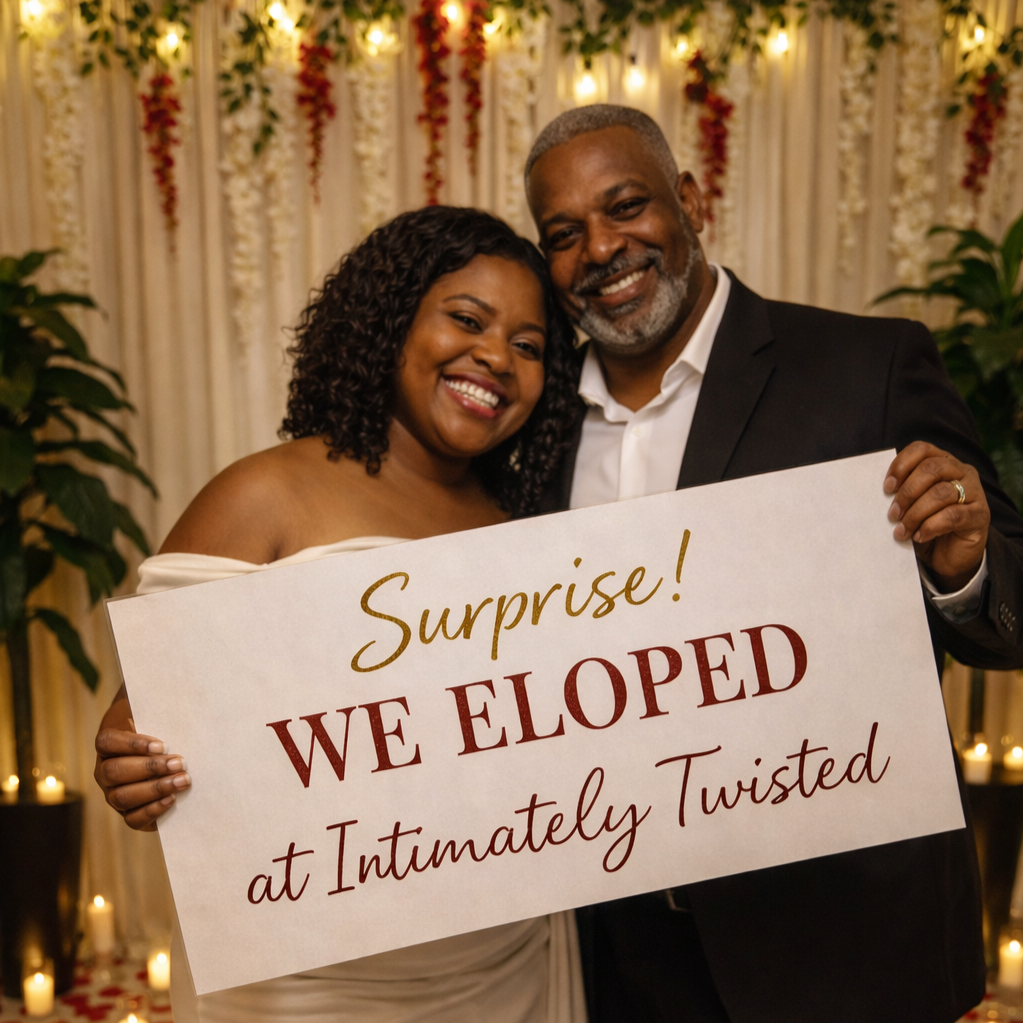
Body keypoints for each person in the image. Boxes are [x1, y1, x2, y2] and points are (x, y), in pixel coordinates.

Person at [524, 103, 1023, 1023]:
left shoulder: (866, 365)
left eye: (625, 206)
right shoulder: (529, 421)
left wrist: (964, 563)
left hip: (849, 948)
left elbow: (1009, 617)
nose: (599, 247)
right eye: (563, 234)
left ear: (688, 199)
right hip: (621, 956)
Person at [92, 206, 588, 1023]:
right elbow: (139, 719)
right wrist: (134, 768)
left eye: (529, 346)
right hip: (305, 978)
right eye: (467, 320)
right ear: (392, 323)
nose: (497, 357)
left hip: (500, 966)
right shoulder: (264, 494)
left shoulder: (525, 530)